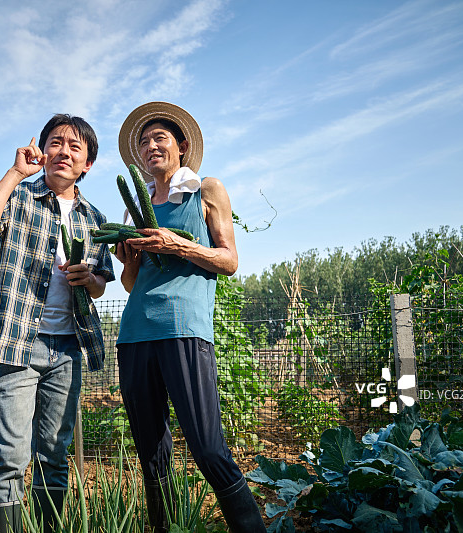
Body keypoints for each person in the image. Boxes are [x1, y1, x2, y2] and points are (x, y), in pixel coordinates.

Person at [114, 102, 266, 533]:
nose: (150, 146)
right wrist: (129, 258)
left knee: (207, 447)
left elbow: (229, 260)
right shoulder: (134, 210)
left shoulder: (206, 190)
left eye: (159, 138)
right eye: (143, 142)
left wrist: (178, 246)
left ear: (181, 146)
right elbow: (131, 284)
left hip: (184, 328)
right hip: (134, 334)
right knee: (151, 453)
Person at [0, 114, 114, 533]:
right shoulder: (19, 197)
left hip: (67, 349)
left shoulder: (94, 219)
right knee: (9, 457)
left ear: (87, 164)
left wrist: (91, 279)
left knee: (53, 454)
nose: (64, 151)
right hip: (16, 343)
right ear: (42, 151)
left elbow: (101, 282)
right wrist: (15, 173)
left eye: (75, 147)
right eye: (56, 142)